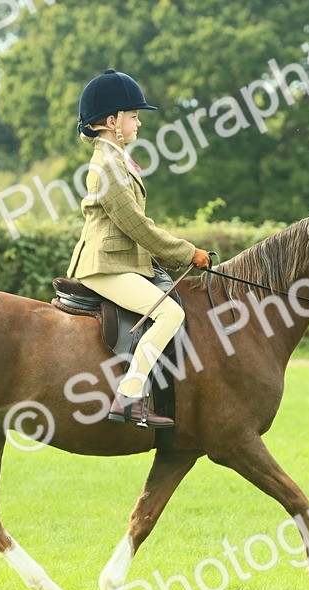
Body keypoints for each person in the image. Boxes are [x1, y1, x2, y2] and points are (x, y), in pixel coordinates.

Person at [68, 68, 211, 429]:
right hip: (105, 266)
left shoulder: (117, 160)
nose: (139, 123)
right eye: (133, 116)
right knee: (169, 314)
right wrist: (187, 253)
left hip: (123, 263)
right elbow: (136, 225)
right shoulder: (107, 166)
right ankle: (128, 396)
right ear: (112, 122)